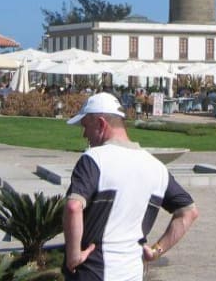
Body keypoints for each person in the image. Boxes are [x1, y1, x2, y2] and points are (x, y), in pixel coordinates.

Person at [63, 92, 198, 280]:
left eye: (86, 126)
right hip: (132, 272)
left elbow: (73, 206)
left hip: (94, 270)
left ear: (101, 124)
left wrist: (74, 255)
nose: (84, 133)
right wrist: (156, 251)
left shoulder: (94, 159)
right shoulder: (157, 168)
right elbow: (189, 212)